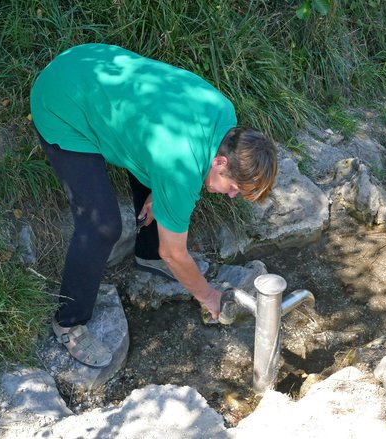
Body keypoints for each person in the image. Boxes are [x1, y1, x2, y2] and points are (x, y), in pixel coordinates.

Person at [30, 43, 277, 368]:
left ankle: (146, 255)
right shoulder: (182, 167)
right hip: (62, 104)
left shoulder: (224, 118)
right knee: (102, 226)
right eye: (233, 188)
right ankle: (68, 322)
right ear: (220, 161)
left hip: (91, 64)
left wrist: (162, 193)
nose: (231, 196)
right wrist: (208, 295)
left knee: (164, 181)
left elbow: (163, 143)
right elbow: (174, 252)